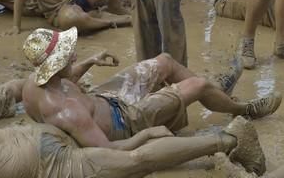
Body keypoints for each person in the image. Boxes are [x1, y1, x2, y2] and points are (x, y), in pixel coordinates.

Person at [22, 27, 281, 158]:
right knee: (198, 86)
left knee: (165, 60)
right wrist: (147, 133)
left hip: (104, 99)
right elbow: (110, 151)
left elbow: (64, 79)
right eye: (69, 56)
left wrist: (88, 61)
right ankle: (242, 108)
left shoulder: (33, 84)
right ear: (55, 67)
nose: (74, 55)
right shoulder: (68, 112)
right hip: (125, 122)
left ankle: (216, 93)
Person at [0, 116, 268, 177]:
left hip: (38, 160)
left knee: (136, 162)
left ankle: (230, 139)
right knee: (122, 153)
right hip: (32, 134)